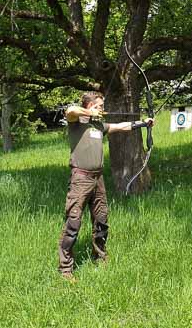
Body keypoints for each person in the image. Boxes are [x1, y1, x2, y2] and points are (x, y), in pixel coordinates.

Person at [59, 91, 154, 282]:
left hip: (98, 179)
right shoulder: (76, 122)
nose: (102, 109)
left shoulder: (99, 125)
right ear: (90, 105)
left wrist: (144, 123)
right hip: (81, 178)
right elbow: (70, 110)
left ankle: (100, 257)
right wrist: (89, 113)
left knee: (101, 219)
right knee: (73, 223)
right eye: (99, 106)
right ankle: (65, 270)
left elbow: (121, 126)